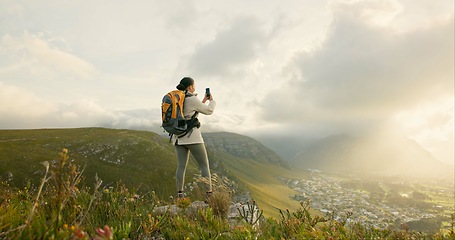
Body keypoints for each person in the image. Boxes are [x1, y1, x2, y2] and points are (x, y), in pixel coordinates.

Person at [173, 77, 216, 200]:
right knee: (204, 166)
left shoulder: (178, 98)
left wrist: (202, 100)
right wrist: (211, 101)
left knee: (181, 166)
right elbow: (208, 111)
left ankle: (179, 195)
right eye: (194, 85)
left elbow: (191, 112)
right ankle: (209, 195)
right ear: (190, 87)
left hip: (178, 138)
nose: (194, 87)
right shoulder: (191, 99)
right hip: (193, 138)